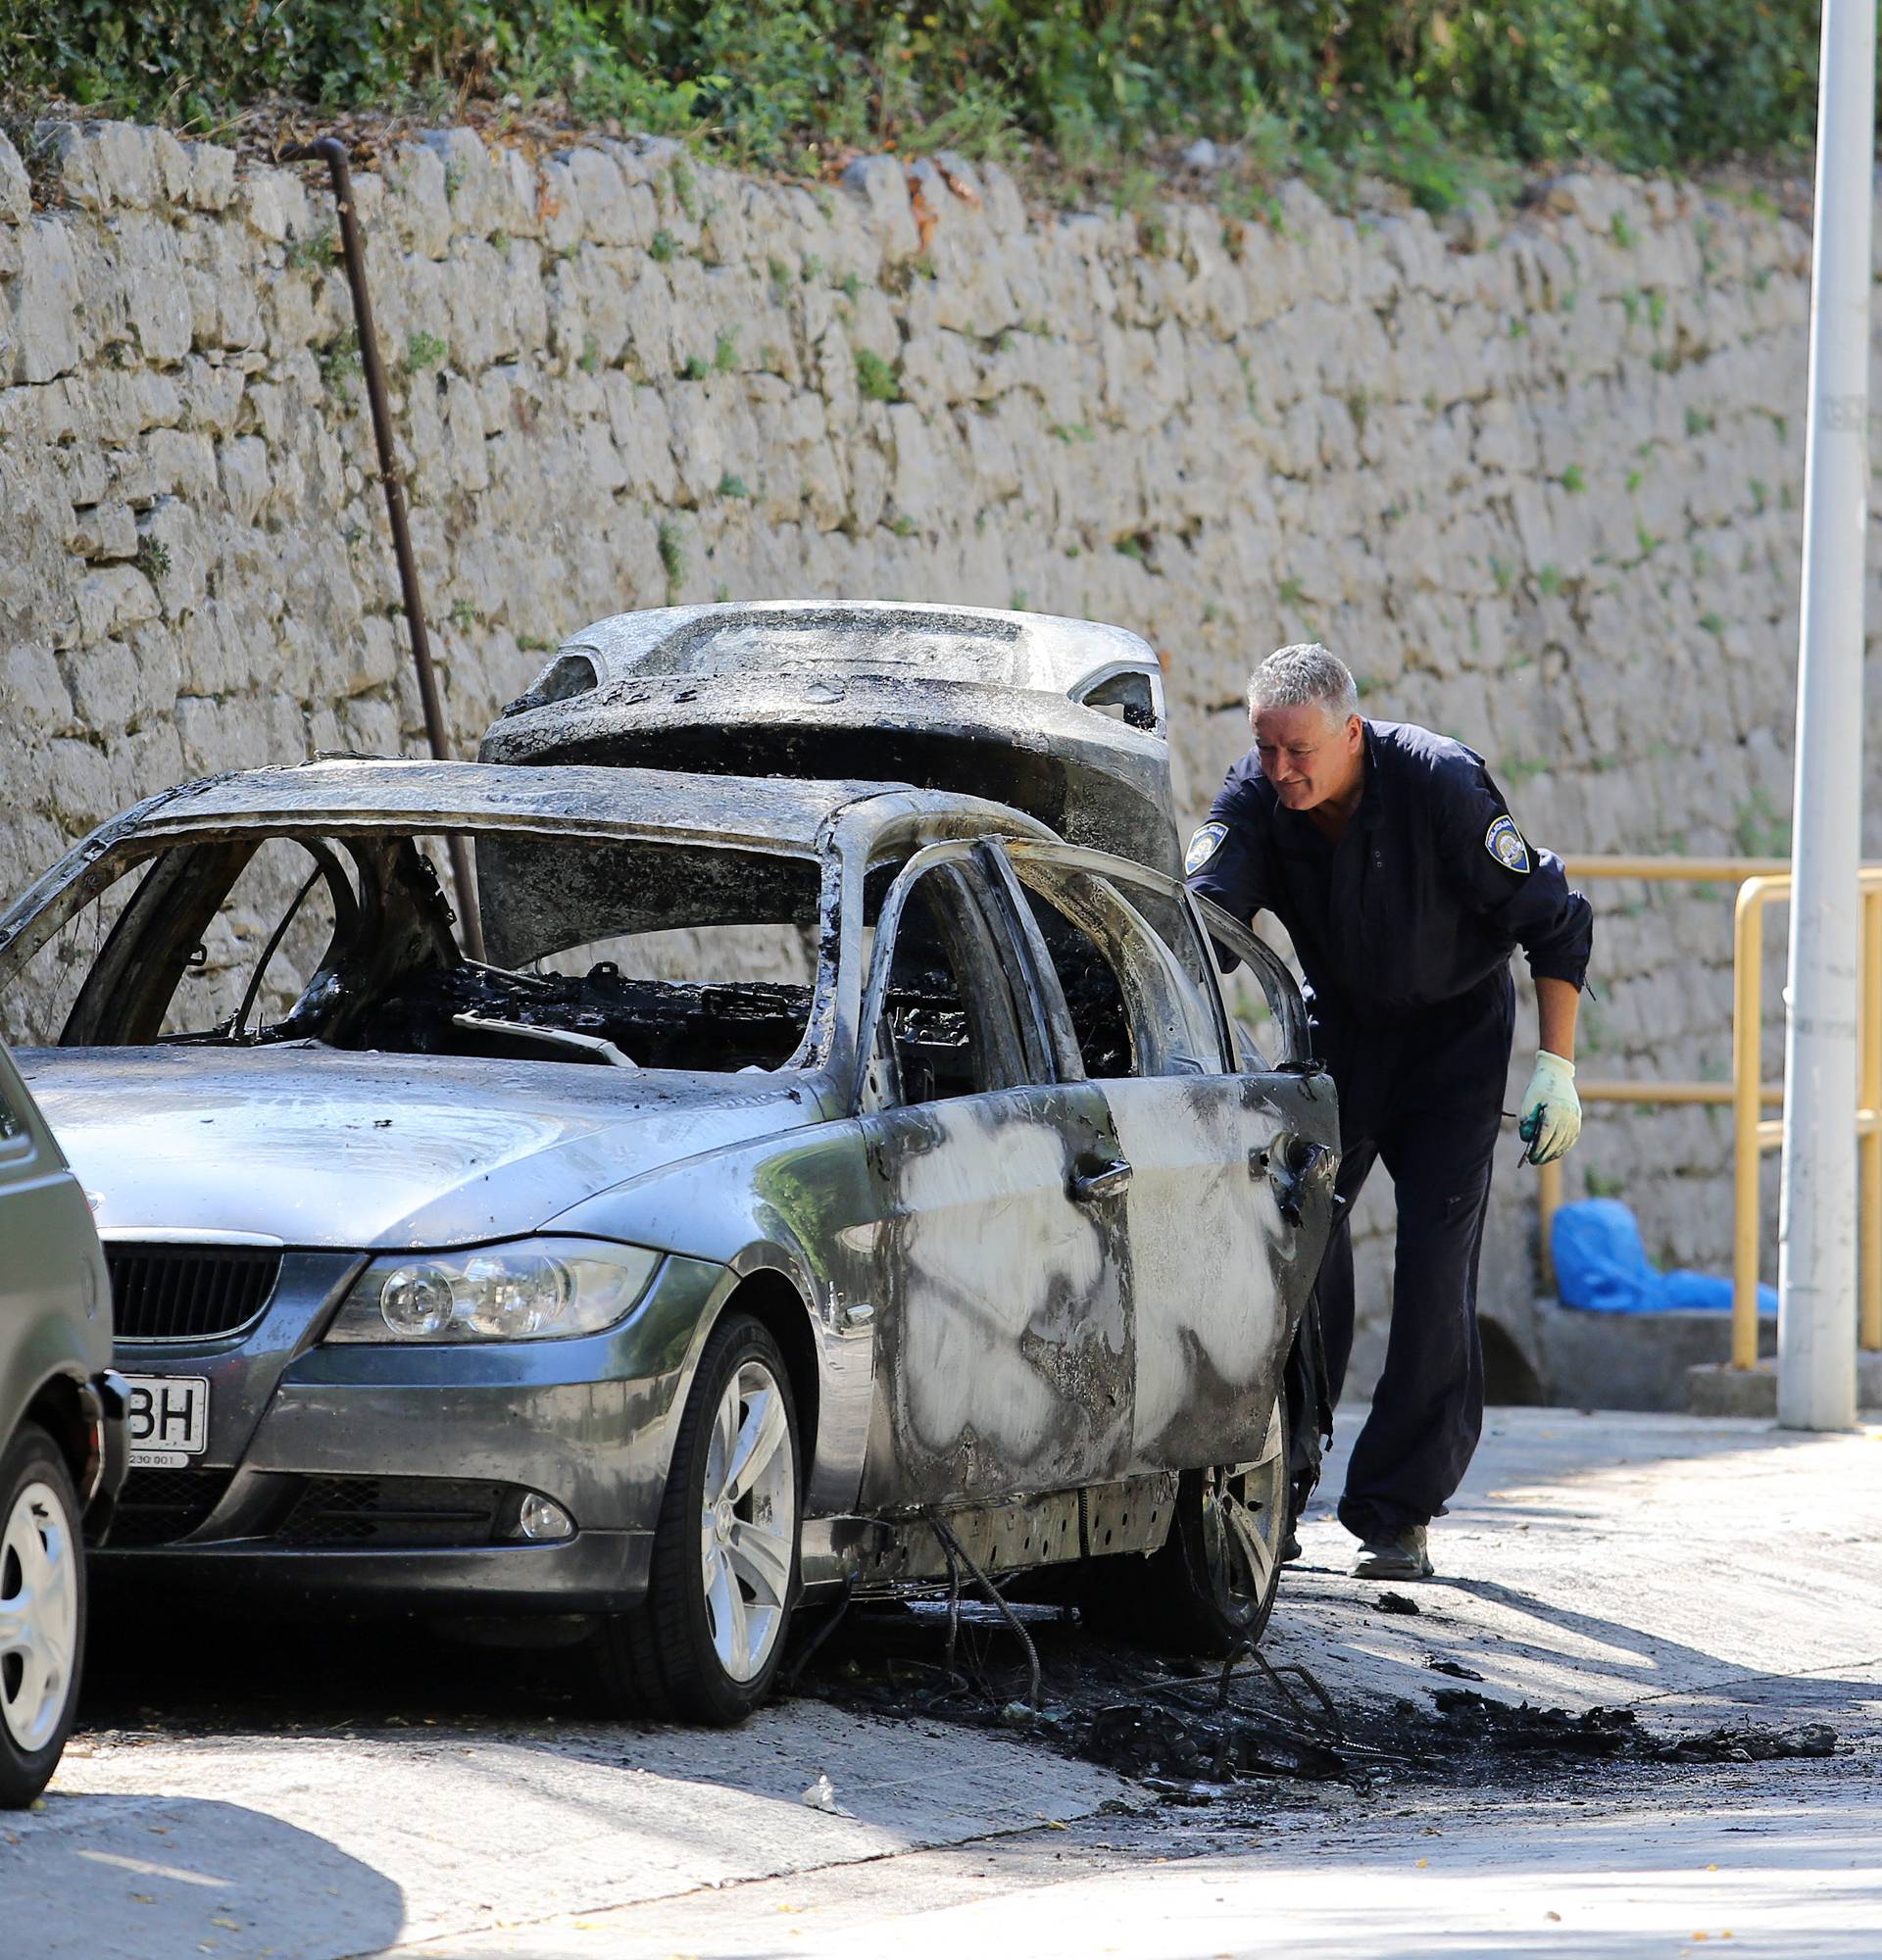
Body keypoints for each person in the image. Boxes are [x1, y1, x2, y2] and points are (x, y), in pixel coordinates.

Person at [1187, 643, 1592, 1581]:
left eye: (1301, 753)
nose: (1283, 772)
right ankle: (1275, 1483)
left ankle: (1398, 1511)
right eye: (1267, 749)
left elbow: (1554, 917)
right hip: (1344, 1036)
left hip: (1457, 1041)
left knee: (1436, 1264)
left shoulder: (1442, 784)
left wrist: (1555, 1067)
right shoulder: (1256, 798)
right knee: (1295, 1248)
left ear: (1352, 733)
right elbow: (1203, 928)